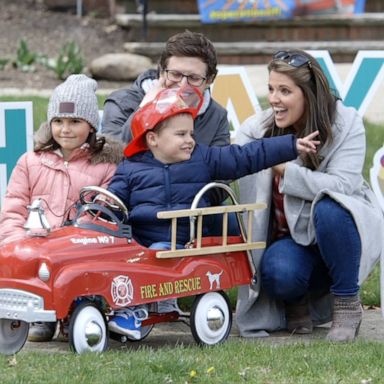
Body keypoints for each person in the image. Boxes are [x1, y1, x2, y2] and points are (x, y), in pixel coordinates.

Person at [106, 83, 320, 338]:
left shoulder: (203, 158)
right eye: (181, 135)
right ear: (152, 139)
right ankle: (119, 303)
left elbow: (245, 156)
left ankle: (134, 310)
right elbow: (113, 202)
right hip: (141, 241)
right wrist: (99, 213)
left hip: (184, 242)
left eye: (191, 134)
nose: (190, 141)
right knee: (121, 255)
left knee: (157, 255)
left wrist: (290, 146)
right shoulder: (131, 169)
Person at [235, 49, 384, 342]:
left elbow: (341, 186)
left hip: (341, 231)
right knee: (278, 273)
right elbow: (230, 161)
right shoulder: (257, 130)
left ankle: (346, 304)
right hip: (293, 241)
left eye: (284, 91)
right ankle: (298, 300)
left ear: (309, 94)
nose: (274, 99)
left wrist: (282, 168)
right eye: (270, 89)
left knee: (328, 205)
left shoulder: (346, 124)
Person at [0, 74, 124, 342]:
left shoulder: (105, 166)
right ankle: (37, 316)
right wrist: (15, 241)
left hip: (77, 246)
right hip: (33, 241)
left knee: (77, 272)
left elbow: (101, 212)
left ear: (91, 126)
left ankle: (75, 313)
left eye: (75, 122)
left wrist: (74, 240)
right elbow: (14, 206)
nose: (65, 129)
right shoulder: (31, 161)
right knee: (25, 266)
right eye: (58, 121)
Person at [101, 30, 230, 147]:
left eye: (194, 78)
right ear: (161, 72)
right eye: (175, 74)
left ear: (209, 80)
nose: (183, 85)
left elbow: (220, 168)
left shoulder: (216, 115)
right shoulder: (121, 102)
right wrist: (145, 111)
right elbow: (113, 159)